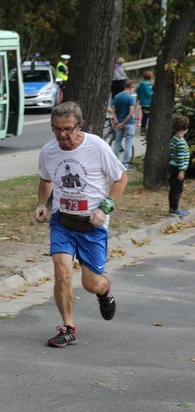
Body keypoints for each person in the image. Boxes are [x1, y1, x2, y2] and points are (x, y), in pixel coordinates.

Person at [34, 102, 127, 348]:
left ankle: (104, 291)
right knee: (62, 271)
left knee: (90, 284)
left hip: (92, 223)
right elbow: (46, 179)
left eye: (67, 129)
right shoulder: (48, 151)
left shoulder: (96, 146)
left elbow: (121, 179)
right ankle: (68, 327)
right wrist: (42, 203)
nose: (62, 135)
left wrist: (104, 208)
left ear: (79, 125)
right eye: (57, 129)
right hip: (63, 221)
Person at [168, 114, 190, 217]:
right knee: (177, 189)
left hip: (173, 166)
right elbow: (181, 157)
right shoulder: (181, 142)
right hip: (178, 168)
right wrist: (181, 170)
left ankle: (173, 208)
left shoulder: (174, 138)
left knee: (173, 189)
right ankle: (174, 209)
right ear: (185, 128)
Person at [112, 80, 136, 169]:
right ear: (131, 87)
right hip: (129, 123)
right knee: (128, 143)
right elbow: (131, 113)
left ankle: (114, 162)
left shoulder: (117, 96)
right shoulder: (130, 98)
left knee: (117, 143)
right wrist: (124, 122)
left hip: (118, 123)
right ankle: (125, 163)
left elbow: (113, 111)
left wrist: (117, 122)